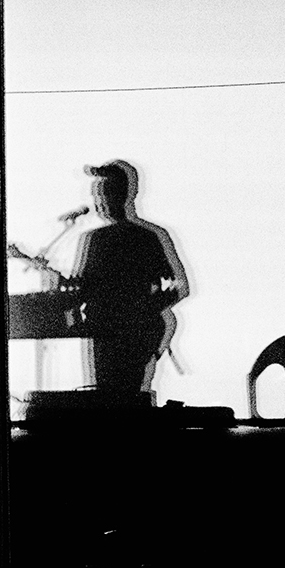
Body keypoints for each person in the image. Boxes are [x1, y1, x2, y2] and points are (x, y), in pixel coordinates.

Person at [71, 160, 190, 395]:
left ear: (125, 195)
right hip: (105, 330)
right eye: (97, 195)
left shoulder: (146, 237)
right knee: (111, 396)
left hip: (131, 333)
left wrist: (142, 310)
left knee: (124, 396)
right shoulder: (98, 238)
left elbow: (180, 286)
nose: (100, 202)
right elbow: (83, 287)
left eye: (105, 194)